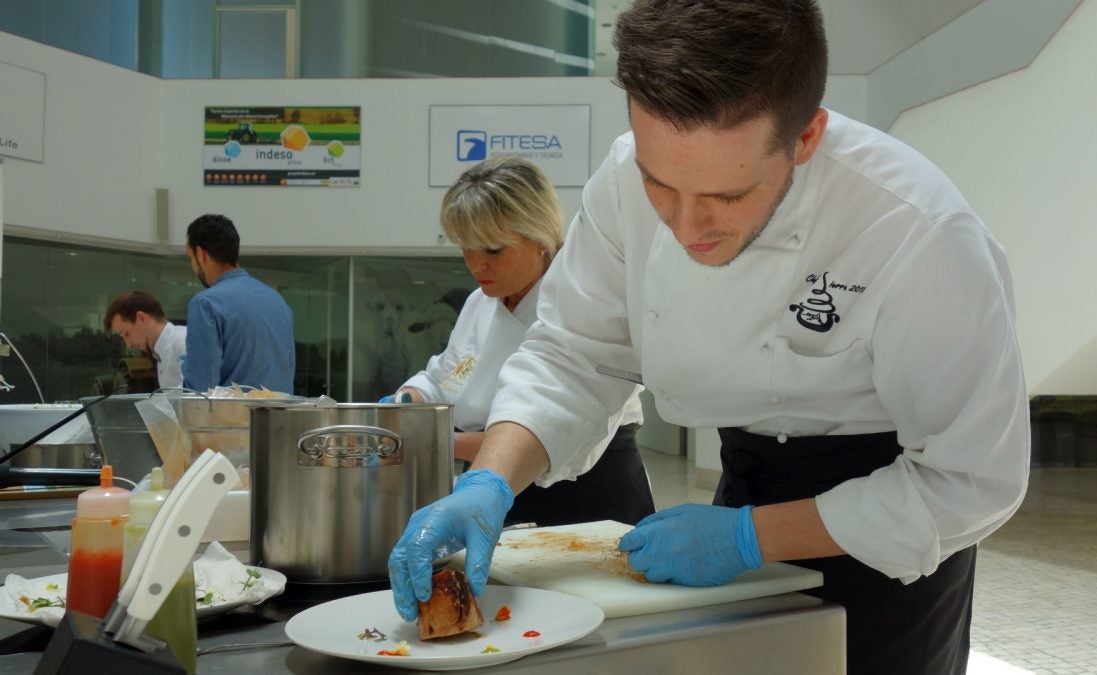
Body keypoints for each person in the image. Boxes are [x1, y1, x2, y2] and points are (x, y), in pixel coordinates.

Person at [389, 2, 1030, 673]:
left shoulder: (917, 231)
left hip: (889, 542)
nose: (686, 224)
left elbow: (971, 479)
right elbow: (574, 354)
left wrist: (751, 536)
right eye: (659, 182)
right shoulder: (618, 184)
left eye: (727, 195)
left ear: (807, 137)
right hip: (741, 494)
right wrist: (488, 480)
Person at [383, 156, 654, 528]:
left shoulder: (582, 305)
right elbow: (446, 375)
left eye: (493, 250)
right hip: (492, 487)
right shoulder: (480, 303)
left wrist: (428, 439)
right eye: (466, 249)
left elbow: (551, 431)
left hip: (583, 496)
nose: (477, 266)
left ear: (540, 237)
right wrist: (406, 402)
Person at [182, 214, 295, 394]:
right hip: (278, 419)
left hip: (230, 420)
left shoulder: (205, 304)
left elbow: (201, 390)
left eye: (190, 258)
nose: (193, 267)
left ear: (201, 254)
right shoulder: (278, 302)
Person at [104, 291, 187, 389]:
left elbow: (194, 398)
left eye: (126, 334)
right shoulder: (159, 352)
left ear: (142, 318)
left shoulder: (183, 340)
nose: (128, 344)